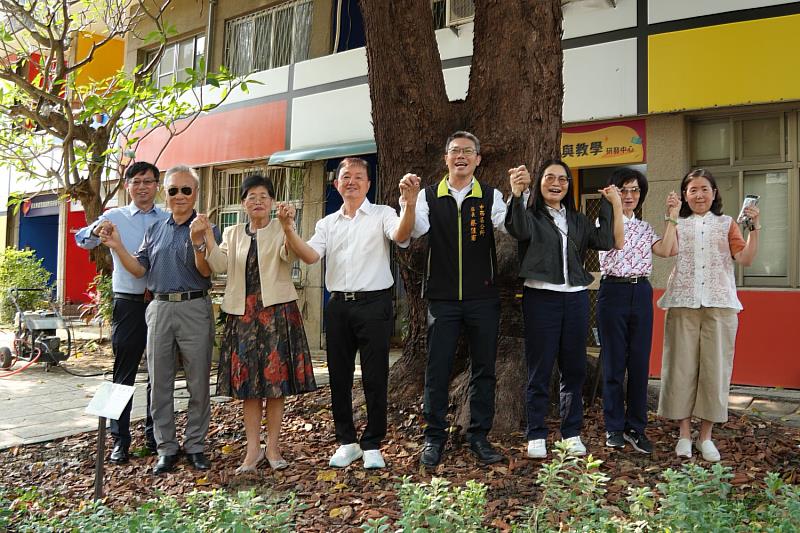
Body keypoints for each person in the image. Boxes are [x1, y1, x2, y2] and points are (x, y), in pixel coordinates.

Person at [281, 157, 419, 469]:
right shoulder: (327, 223)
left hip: (374, 305)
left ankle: (372, 442)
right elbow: (311, 256)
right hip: (339, 307)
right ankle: (347, 441)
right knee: (339, 377)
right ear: (337, 183)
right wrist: (289, 229)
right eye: (346, 177)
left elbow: (400, 235)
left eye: (359, 176)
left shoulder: (382, 214)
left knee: (374, 376)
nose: (352, 181)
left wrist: (409, 205)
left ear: (368, 184)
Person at [192, 175, 317, 473]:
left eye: (264, 196)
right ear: (243, 203)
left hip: (277, 314)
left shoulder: (280, 227)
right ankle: (252, 451)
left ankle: (273, 447)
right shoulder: (233, 233)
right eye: (251, 196)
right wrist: (205, 239)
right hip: (243, 316)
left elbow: (290, 255)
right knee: (248, 387)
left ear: (272, 202)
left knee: (276, 384)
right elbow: (219, 267)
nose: (258, 201)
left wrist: (288, 226)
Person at [409, 131, 521, 467]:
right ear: (445, 158)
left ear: (478, 159)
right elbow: (413, 231)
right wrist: (409, 201)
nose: (461, 156)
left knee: (485, 368)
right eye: (455, 151)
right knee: (437, 368)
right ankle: (433, 437)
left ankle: (479, 436)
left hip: (482, 297)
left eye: (468, 151)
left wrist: (516, 195)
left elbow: (512, 227)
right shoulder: (430, 195)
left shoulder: (491, 195)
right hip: (442, 299)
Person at [101, 165, 220, 475]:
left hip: (195, 307)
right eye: (173, 190)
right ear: (165, 193)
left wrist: (198, 240)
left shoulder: (206, 226)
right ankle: (166, 447)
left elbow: (206, 271)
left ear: (195, 193)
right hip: (159, 307)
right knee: (160, 383)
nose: (179, 196)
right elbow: (140, 270)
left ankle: (195, 446)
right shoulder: (155, 229)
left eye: (186, 190)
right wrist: (117, 246)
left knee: (198, 383)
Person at [505, 158, 623, 459]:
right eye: (549, 178)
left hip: (576, 299)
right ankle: (536, 434)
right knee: (540, 368)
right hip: (541, 299)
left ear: (568, 186)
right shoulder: (530, 215)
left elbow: (606, 240)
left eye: (562, 179)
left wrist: (610, 205)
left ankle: (571, 433)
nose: (556, 183)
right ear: (540, 183)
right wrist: (516, 194)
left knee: (574, 368)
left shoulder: (578, 219)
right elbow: (516, 228)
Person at [657, 168, 760, 462]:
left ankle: (706, 436)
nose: (699, 195)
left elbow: (746, 258)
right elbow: (666, 251)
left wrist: (755, 228)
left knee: (715, 370)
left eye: (704, 189)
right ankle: (684, 435)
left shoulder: (728, 224)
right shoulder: (679, 224)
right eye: (693, 190)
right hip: (683, 303)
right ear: (685, 195)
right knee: (681, 369)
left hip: (720, 304)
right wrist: (671, 216)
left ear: (714, 193)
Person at [75, 161, 168, 464]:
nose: (143, 187)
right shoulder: (114, 216)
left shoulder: (167, 218)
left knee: (159, 372)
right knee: (123, 372)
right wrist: (95, 229)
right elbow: (82, 240)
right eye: (137, 181)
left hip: (160, 302)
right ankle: (119, 439)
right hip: (128, 302)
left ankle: (156, 436)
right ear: (127, 185)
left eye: (149, 181)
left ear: (157, 185)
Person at [597, 168, 679, 454]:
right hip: (613, 291)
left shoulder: (645, 228)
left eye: (635, 191)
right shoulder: (604, 221)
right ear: (612, 191)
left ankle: (636, 427)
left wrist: (672, 216)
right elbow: (616, 241)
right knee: (614, 363)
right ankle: (613, 427)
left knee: (640, 364)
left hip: (641, 291)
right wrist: (616, 205)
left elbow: (668, 250)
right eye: (623, 190)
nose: (630, 195)